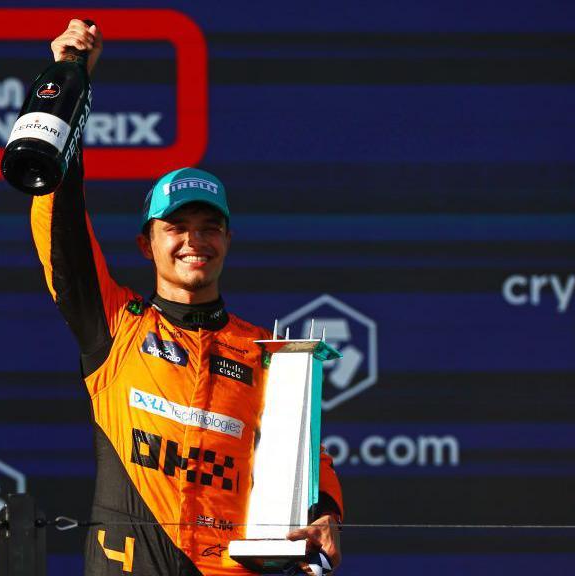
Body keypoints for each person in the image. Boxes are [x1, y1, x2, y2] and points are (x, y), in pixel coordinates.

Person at [30, 20, 344, 576]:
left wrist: (325, 512)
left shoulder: (265, 352)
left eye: (209, 226)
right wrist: (69, 82)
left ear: (228, 239)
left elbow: (307, 455)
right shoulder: (115, 325)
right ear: (146, 245)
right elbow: (62, 226)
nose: (193, 241)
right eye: (175, 226)